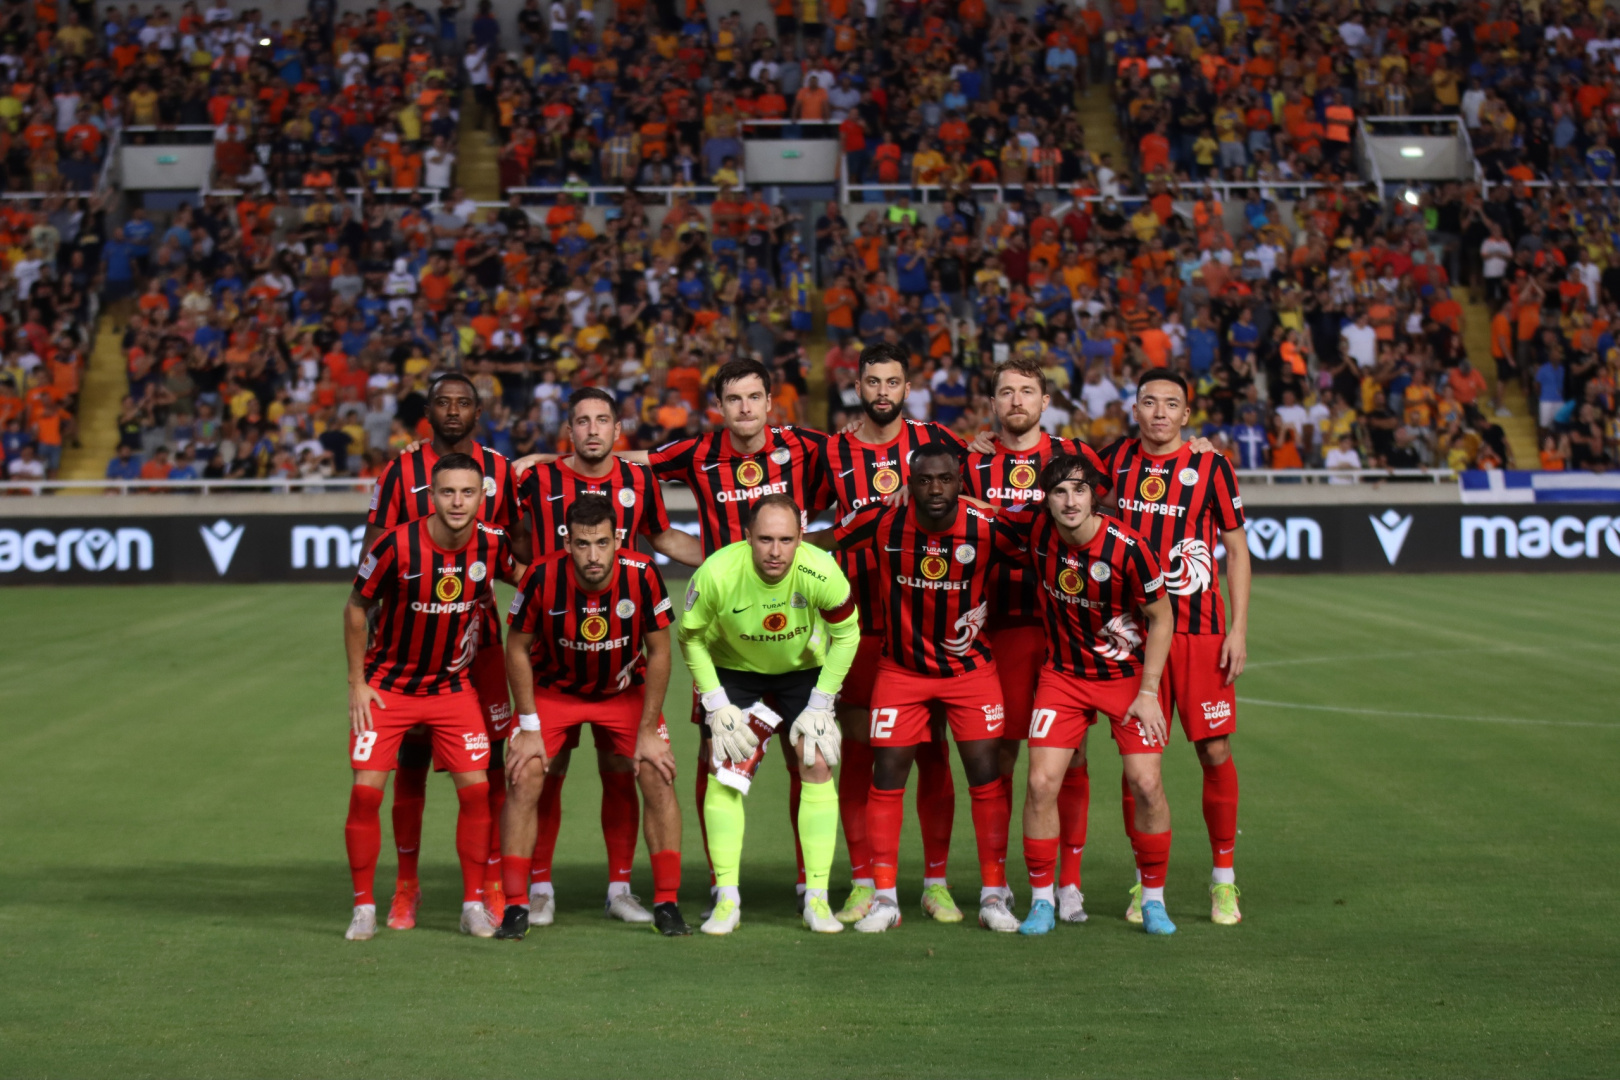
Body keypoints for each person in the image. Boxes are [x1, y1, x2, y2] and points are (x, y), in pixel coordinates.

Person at [512, 387, 702, 926]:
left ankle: (621, 889)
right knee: (544, 771)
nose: (593, 430)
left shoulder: (638, 480)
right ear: (568, 430)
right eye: (582, 421)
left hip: (621, 661)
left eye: (602, 421)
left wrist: (733, 557)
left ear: (618, 430)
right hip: (553, 659)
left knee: (629, 771)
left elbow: (663, 537)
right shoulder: (536, 479)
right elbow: (511, 538)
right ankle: (538, 889)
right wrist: (531, 583)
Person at [834, 442, 1028, 933]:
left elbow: (1046, 539)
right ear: (909, 484)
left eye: (945, 479)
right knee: (887, 774)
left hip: (970, 672)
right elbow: (821, 541)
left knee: (985, 776)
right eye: (924, 480)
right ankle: (884, 899)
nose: (935, 489)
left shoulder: (986, 525)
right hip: (901, 672)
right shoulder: (884, 521)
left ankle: (993, 895)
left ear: (961, 482)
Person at [363, 373, 529, 931]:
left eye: (463, 403)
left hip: (479, 644)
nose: (453, 411)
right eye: (443, 403)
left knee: (491, 764)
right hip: (412, 645)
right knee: (409, 762)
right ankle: (405, 888)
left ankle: (491, 884)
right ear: (428, 411)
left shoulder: (502, 471)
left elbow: (518, 551)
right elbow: (374, 551)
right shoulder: (400, 471)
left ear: (479, 412)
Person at [808, 340, 967, 925]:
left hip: (926, 620)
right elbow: (811, 520)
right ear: (857, 387)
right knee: (858, 751)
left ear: (907, 387)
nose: (882, 392)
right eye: (872, 382)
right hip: (858, 623)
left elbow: (979, 488)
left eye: (892, 382)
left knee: (932, 750)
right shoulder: (833, 450)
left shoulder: (937, 441)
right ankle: (862, 881)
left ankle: (935, 883)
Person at [1098, 369, 1250, 926]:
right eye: (1149, 402)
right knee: (1139, 765)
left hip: (1201, 632)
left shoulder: (1212, 466)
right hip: (1134, 634)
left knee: (1214, 752)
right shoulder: (1114, 461)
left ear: (1186, 414)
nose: (1159, 412)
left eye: (1171, 404)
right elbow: (1049, 472)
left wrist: (1238, 629)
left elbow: (1237, 549)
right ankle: (1146, 880)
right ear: (1134, 409)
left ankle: (1224, 880)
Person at [497, 497, 689, 939]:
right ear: (568, 542)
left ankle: (663, 901)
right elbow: (516, 647)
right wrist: (528, 728)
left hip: (622, 691)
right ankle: (519, 904)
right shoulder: (542, 575)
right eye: (583, 544)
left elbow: (660, 651)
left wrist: (648, 731)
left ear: (618, 539)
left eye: (602, 543)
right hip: (554, 690)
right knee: (525, 774)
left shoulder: (642, 573)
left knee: (657, 772)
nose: (593, 555)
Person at [1003, 453, 1175, 936]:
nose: (1070, 501)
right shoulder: (1038, 529)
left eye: (1079, 490)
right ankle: (1042, 901)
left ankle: (1153, 900)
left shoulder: (1129, 548)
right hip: (1063, 677)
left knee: (1146, 784)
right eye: (1059, 492)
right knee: (1041, 784)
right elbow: (985, 512)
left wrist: (1149, 691)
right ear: (1046, 500)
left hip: (1126, 678)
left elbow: (1162, 617)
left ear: (1094, 494)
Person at [958, 356, 1101, 922]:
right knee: (1001, 752)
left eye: (1027, 391)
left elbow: (1113, 509)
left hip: (1063, 629)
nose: (1016, 400)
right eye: (1006, 392)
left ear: (1045, 402)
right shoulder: (970, 461)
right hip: (998, 628)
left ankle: (1070, 884)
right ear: (992, 402)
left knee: (1073, 755)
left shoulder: (1075, 457)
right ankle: (996, 883)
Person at [677, 494, 860, 935]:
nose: (775, 551)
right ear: (747, 537)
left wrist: (822, 702)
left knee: (816, 762)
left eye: (785, 540)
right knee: (726, 769)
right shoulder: (717, 573)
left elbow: (848, 634)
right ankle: (727, 899)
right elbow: (690, 638)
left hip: (803, 669)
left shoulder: (821, 570)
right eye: (764, 540)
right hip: (733, 669)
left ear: (801, 537)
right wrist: (716, 702)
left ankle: (817, 899)